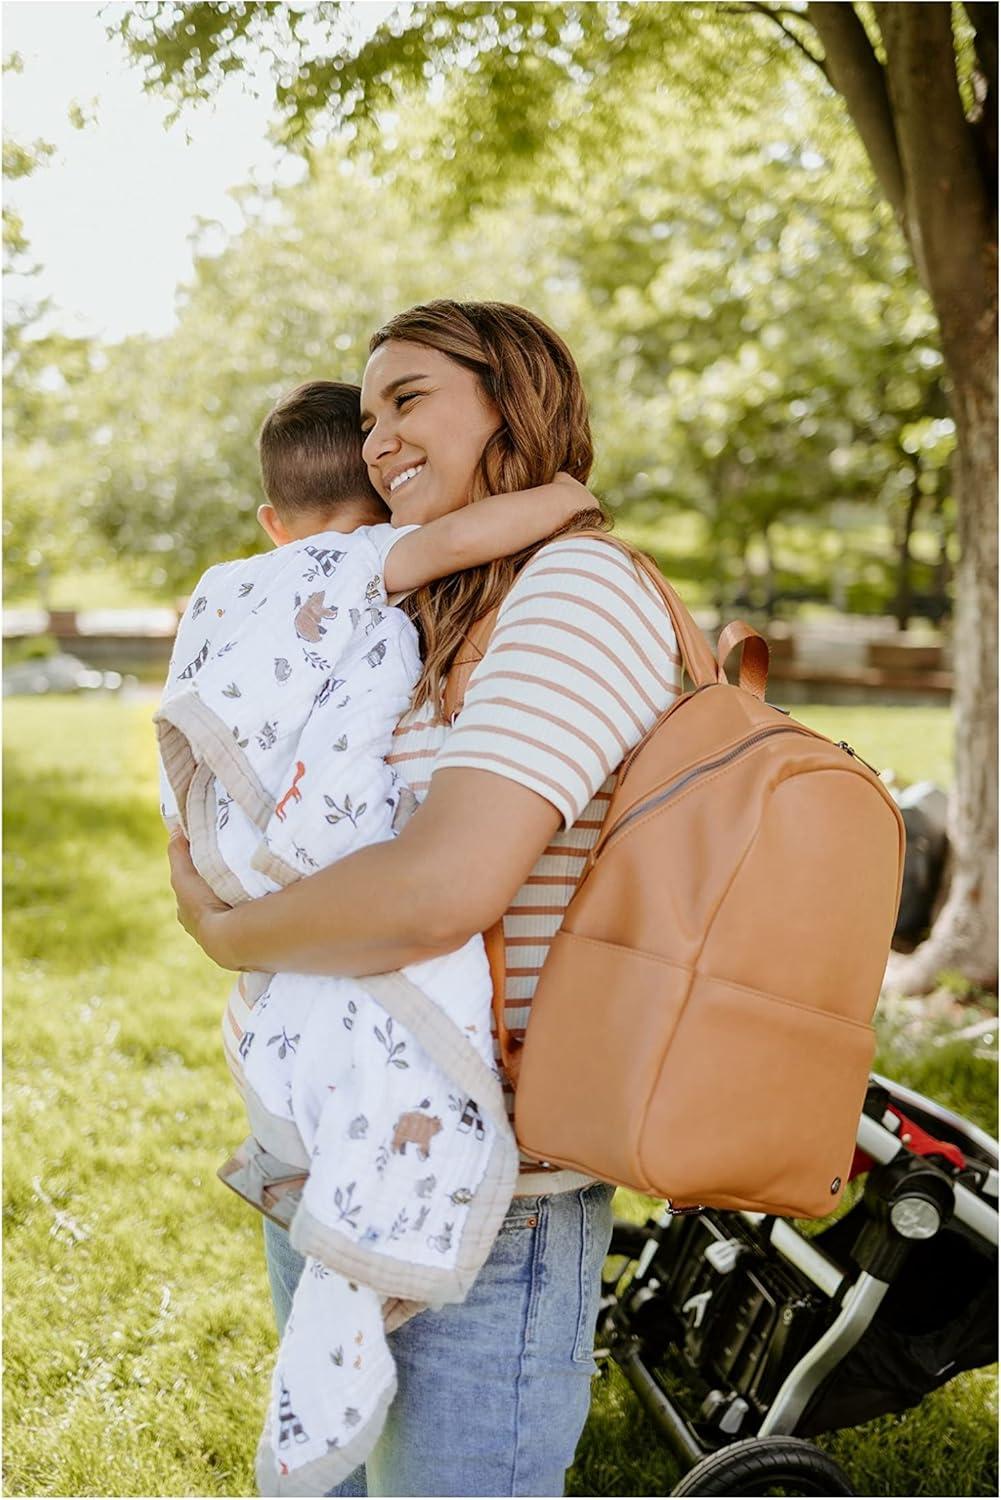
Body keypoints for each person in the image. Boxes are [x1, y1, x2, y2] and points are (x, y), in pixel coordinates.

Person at [168, 301, 683, 1497]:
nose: (377, 441)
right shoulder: (406, 614)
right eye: (365, 415)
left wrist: (224, 929)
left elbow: (437, 889)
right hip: (335, 1138)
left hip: (489, 1175)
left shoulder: (574, 590)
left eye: (409, 401)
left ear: (515, 402)